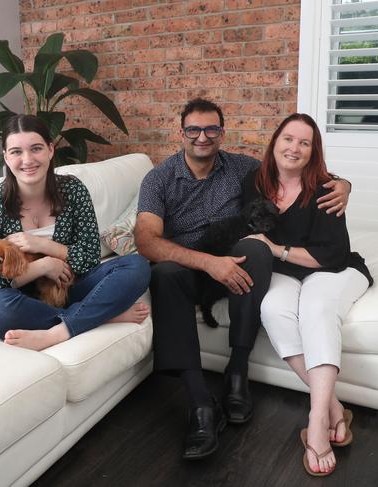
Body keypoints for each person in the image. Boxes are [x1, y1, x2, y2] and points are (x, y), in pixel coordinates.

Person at [134, 98, 351, 460]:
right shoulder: (158, 179)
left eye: (211, 129)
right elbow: (146, 242)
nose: (202, 137)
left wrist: (344, 184)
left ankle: (237, 371)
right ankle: (201, 404)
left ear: (221, 132)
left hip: (236, 262)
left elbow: (293, 169)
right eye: (194, 129)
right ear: (181, 133)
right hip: (190, 266)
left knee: (256, 248)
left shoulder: (241, 169)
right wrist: (207, 263)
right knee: (165, 274)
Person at [243, 113, 372, 476]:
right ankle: (334, 406)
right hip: (286, 273)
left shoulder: (327, 188)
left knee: (316, 308)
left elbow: (331, 255)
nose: (294, 148)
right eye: (288, 139)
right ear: (275, 142)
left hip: (332, 268)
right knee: (272, 307)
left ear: (313, 151)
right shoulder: (255, 182)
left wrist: (276, 249)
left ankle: (316, 420)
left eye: (304, 142)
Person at [0, 114, 151, 351]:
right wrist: (43, 267)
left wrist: (45, 247)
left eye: (36, 148)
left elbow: (90, 259)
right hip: (22, 301)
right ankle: (98, 315)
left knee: (136, 266)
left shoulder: (73, 190)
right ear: (5, 157)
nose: (27, 160)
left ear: (51, 150)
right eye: (16, 152)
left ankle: (59, 331)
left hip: (70, 286)